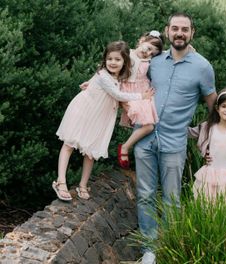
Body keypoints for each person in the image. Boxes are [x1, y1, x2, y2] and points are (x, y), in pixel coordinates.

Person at [134, 12, 217, 264]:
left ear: (192, 33)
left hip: (173, 142)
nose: (179, 33)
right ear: (167, 31)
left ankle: (169, 248)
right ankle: (149, 250)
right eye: (175, 28)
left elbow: (214, 107)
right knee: (145, 194)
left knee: (172, 199)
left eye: (185, 29)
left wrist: (209, 139)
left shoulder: (203, 67)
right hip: (144, 138)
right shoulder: (154, 61)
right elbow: (128, 79)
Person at [53, 41, 154, 201]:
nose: (113, 63)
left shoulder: (120, 77)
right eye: (110, 59)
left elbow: (137, 54)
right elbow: (117, 95)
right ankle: (61, 182)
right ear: (105, 60)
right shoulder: (103, 75)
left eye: (117, 60)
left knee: (90, 152)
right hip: (84, 111)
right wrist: (142, 96)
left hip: (100, 116)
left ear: (125, 62)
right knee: (69, 145)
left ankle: (83, 185)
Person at [188, 88, 226, 201]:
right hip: (211, 175)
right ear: (217, 108)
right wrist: (173, 122)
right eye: (224, 106)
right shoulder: (207, 127)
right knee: (210, 205)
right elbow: (189, 132)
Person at [117, 31, 165, 169]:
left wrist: (190, 50)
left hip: (143, 93)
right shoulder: (126, 54)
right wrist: (91, 82)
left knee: (149, 126)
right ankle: (125, 148)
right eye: (149, 49)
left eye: (153, 54)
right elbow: (107, 68)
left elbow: (169, 53)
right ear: (142, 40)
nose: (149, 54)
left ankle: (125, 147)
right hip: (127, 93)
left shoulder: (149, 59)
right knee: (146, 125)